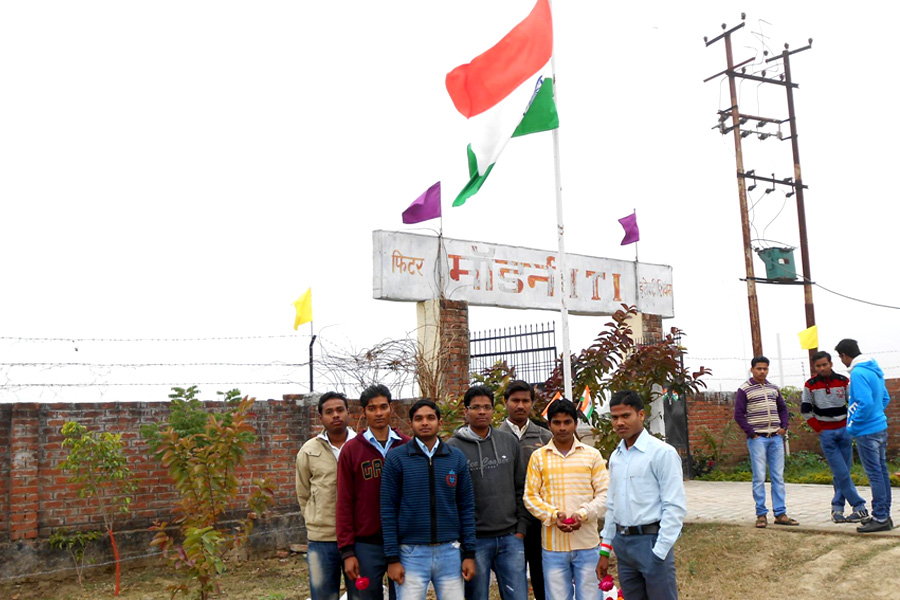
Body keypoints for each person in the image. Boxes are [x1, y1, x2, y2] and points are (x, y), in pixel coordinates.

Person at [380, 398, 476, 600]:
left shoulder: (455, 458)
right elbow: (388, 509)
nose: (425, 423)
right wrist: (392, 558)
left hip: (450, 551)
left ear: (439, 422)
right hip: (410, 553)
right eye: (419, 419)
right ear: (411, 424)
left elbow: (466, 507)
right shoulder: (397, 458)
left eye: (430, 418)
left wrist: (469, 553)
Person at [596, 390, 686, 600]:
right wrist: (605, 550)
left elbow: (674, 506)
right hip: (623, 546)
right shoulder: (616, 457)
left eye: (626, 416)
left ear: (641, 415)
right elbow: (612, 505)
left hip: (651, 542)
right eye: (615, 417)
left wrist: (660, 551)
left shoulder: (662, 453)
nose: (620, 422)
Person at [446, 385, 529, 600]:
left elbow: (521, 486)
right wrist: (464, 539)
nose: (482, 412)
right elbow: (450, 497)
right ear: (466, 411)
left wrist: (520, 528)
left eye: (487, 407)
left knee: (518, 596)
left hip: (511, 537)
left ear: (493, 410)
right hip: (475, 540)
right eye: (476, 407)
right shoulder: (452, 448)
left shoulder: (508, 441)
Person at [524, 398, 608, 600]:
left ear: (575, 424)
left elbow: (605, 495)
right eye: (557, 422)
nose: (562, 427)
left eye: (567, 422)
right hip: (553, 546)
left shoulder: (592, 455)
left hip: (587, 544)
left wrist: (583, 514)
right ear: (549, 424)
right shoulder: (538, 457)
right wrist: (554, 516)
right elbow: (530, 496)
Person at [337, 384, 412, 599]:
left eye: (383, 407)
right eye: (372, 408)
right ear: (363, 412)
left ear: (391, 408)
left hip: (404, 542)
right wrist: (347, 551)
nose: (378, 413)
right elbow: (344, 501)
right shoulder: (352, 450)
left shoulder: (407, 446)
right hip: (366, 544)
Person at [296, 391, 357, 600]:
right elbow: (303, 493)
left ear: (348, 413)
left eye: (340, 410)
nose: (335, 415)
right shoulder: (308, 450)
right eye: (329, 412)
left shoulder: (362, 446)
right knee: (322, 595)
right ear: (320, 417)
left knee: (362, 595)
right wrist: (314, 518)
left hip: (358, 538)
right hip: (321, 539)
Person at [497, 380, 553, 600]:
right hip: (508, 522)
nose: (520, 405)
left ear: (532, 403)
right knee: (512, 581)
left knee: (542, 576)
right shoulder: (495, 437)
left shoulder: (545, 437)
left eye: (525, 401)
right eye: (515, 400)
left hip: (540, 520)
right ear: (505, 402)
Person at [801, 351, 869, 523]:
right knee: (841, 472)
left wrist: (850, 425)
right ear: (814, 367)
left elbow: (853, 403)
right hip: (826, 434)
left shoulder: (843, 381)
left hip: (844, 430)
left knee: (843, 471)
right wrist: (820, 429)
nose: (822, 368)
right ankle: (859, 507)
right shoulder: (810, 385)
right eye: (818, 366)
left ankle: (837, 509)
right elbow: (806, 410)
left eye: (825, 364)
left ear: (831, 364)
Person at [835, 339, 893, 533]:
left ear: (844, 355)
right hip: (880, 427)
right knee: (882, 472)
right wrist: (876, 415)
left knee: (875, 474)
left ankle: (880, 517)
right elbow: (885, 398)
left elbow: (865, 403)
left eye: (840, 357)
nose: (841, 361)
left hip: (866, 432)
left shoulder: (858, 373)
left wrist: (854, 425)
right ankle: (883, 515)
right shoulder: (874, 370)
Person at [733, 356, 799, 528]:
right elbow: (738, 414)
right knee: (759, 477)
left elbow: (783, 409)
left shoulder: (773, 388)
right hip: (758, 439)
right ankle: (761, 514)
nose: (762, 372)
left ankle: (780, 513)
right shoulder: (744, 389)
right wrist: (751, 433)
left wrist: (784, 427)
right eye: (759, 368)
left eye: (765, 369)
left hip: (775, 438)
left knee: (778, 476)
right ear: (752, 369)